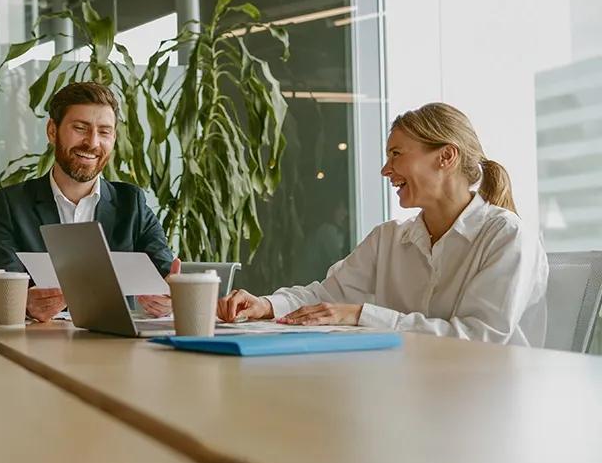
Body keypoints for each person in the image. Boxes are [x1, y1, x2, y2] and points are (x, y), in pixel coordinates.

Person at [217, 102, 548, 346]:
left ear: (446, 157)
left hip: (488, 403)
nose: (385, 170)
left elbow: (480, 340)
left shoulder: (507, 238)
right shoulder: (388, 239)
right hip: (410, 392)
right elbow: (325, 297)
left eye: (397, 154)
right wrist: (266, 305)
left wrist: (363, 314)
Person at [0, 82, 178, 322]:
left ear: (114, 137)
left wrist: (169, 297)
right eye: (80, 128)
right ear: (52, 131)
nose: (93, 142)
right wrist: (23, 303)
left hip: (115, 347)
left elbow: (168, 274)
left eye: (104, 131)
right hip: (38, 344)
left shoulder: (131, 203)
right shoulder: (12, 204)